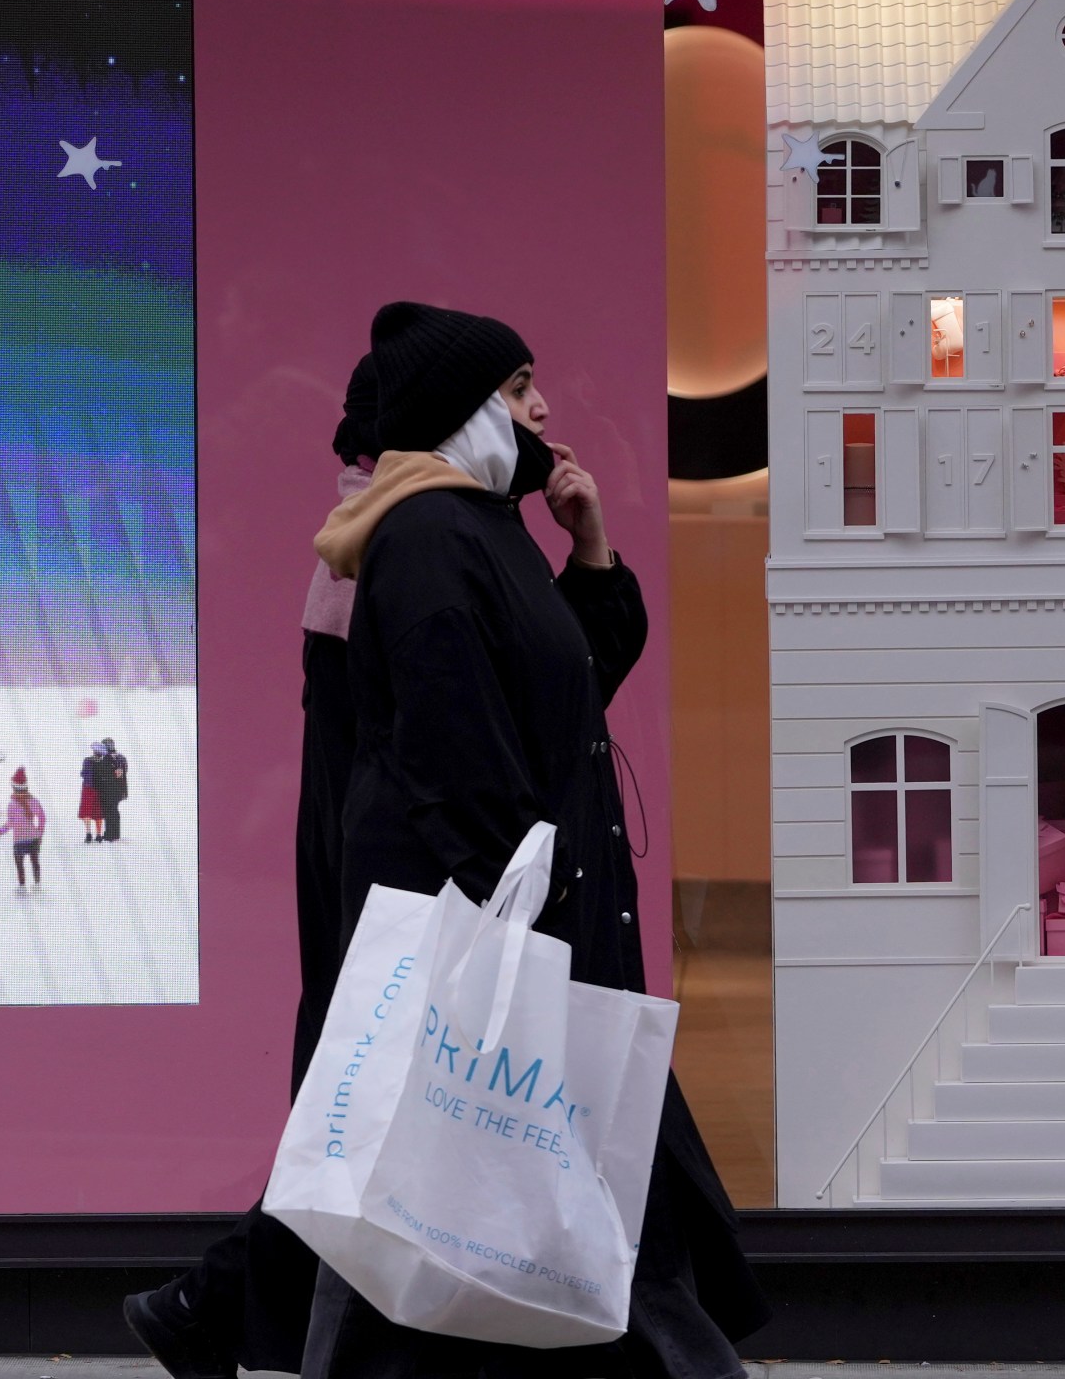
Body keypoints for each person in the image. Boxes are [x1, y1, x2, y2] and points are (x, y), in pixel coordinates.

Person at [309, 302, 766, 1378]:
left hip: (537, 927)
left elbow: (566, 694)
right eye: (519, 389)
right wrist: (533, 925)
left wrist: (591, 549)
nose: (544, 407)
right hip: (503, 932)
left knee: (471, 1201)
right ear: (465, 410)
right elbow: (454, 755)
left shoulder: (484, 529)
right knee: (495, 1197)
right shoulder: (425, 540)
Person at [123, 355, 386, 1379]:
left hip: (364, 883)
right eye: (511, 389)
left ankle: (208, 1303)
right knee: (357, 1127)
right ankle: (209, 1299)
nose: (535, 408)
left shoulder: (363, 540)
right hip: (387, 889)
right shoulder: (380, 551)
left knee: (356, 1125)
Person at [0, 768, 47, 890]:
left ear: (14, 787)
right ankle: (37, 884)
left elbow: (10, 824)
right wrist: (39, 832)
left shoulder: (12, 804)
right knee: (35, 861)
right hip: (34, 837)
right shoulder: (34, 800)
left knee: (19, 864)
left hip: (19, 839)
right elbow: (42, 817)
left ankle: (22, 886)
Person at [99, 738, 130, 841]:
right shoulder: (121, 757)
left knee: (109, 811)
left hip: (108, 789)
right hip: (120, 789)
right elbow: (124, 771)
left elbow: (104, 774)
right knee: (114, 811)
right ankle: (115, 834)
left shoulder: (105, 758)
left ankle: (110, 834)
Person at [78, 744, 105, 842]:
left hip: (88, 789)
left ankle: (88, 833)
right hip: (100, 789)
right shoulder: (104, 762)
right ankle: (98, 835)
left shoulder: (87, 760)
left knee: (87, 811)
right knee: (98, 812)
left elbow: (83, 773)